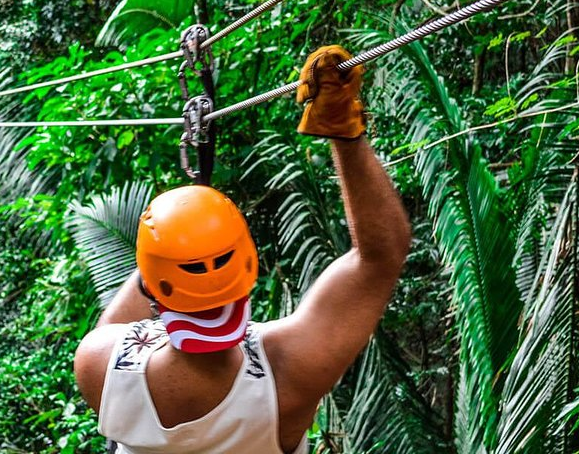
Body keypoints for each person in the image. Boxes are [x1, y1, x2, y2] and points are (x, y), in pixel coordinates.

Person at [74, 45, 411, 454]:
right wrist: (343, 129)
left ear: (155, 283)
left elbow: (124, 317)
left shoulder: (100, 365)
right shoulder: (285, 371)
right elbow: (380, 257)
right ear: (248, 267)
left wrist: (172, 245)